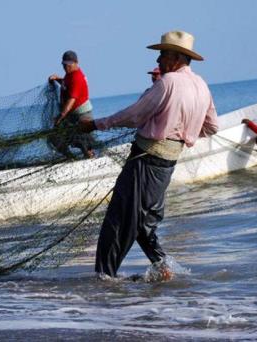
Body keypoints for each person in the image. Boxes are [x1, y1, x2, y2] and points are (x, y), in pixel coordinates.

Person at [79, 31, 219, 279]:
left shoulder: (168, 83)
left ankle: (104, 280)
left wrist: (96, 124)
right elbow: (211, 127)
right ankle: (164, 268)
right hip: (166, 164)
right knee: (143, 223)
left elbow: (134, 115)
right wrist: (183, 130)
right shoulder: (201, 85)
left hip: (145, 161)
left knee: (118, 221)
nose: (158, 61)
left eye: (162, 55)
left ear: (176, 57)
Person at [48, 50, 96, 158]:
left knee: (85, 143)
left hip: (82, 115)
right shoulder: (69, 75)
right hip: (71, 115)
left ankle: (91, 159)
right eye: (64, 65)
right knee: (54, 137)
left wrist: (60, 116)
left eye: (69, 65)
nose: (66, 67)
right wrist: (57, 79)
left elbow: (71, 100)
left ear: (76, 63)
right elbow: (67, 84)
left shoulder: (77, 77)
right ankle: (70, 157)